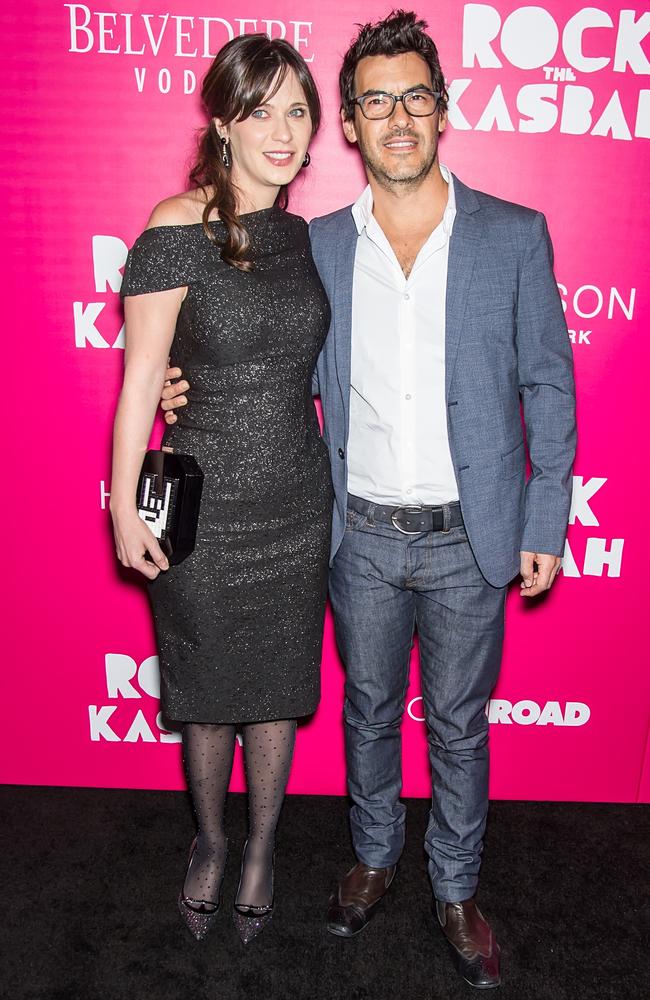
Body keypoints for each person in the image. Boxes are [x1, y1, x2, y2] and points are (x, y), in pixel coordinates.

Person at [162, 10, 576, 987]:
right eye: (373, 100)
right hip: (358, 532)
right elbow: (255, 345)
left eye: (413, 96)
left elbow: (547, 384)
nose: (396, 117)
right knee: (367, 707)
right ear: (345, 123)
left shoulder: (514, 236)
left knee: (461, 721)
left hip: (469, 532)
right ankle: (375, 855)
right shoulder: (316, 247)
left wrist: (544, 516)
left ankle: (455, 884)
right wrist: (184, 384)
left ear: (443, 109)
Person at [110, 34, 332, 945]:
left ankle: (262, 849)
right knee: (204, 687)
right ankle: (208, 841)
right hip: (199, 504)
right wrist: (123, 505)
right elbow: (139, 385)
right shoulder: (174, 228)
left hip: (295, 499)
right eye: (260, 109)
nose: (281, 131)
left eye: (297, 110)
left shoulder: (309, 236)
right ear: (222, 122)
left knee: (276, 688)